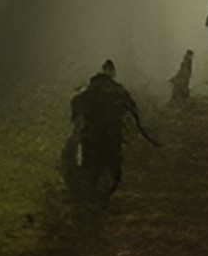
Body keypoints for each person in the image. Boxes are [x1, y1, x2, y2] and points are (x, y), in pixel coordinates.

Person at [61, 60, 160, 197]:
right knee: (113, 171)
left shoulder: (91, 90)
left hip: (93, 138)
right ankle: (101, 198)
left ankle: (88, 198)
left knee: (88, 170)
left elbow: (76, 105)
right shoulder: (119, 90)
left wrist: (76, 117)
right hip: (113, 139)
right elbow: (133, 110)